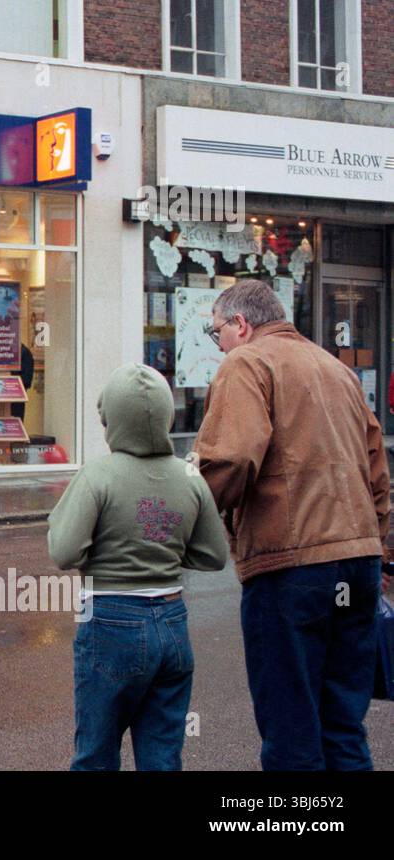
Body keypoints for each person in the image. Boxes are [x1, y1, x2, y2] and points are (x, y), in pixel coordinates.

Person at [194, 279, 393, 771]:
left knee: (291, 730)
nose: (216, 343)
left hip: (291, 567)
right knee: (344, 726)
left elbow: (232, 458)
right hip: (358, 567)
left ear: (241, 324)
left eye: (214, 331)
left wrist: (187, 521)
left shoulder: (247, 363)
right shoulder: (334, 367)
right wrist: (382, 552)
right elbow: (378, 474)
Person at [48, 363, 228, 771]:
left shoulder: (98, 474)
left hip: (111, 621)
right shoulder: (189, 474)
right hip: (173, 622)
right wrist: (163, 548)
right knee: (162, 756)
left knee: (96, 752)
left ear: (112, 419)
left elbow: (64, 552)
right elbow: (214, 556)